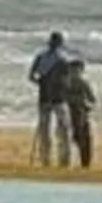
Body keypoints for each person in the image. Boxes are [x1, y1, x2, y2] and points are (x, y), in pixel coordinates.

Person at [28, 31, 70, 166]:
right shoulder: (43, 57)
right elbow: (31, 76)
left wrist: (44, 83)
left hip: (57, 98)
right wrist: (42, 83)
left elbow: (66, 80)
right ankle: (46, 159)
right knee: (46, 129)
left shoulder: (62, 59)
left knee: (61, 128)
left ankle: (62, 159)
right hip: (47, 98)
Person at [61, 59, 98, 170]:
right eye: (73, 70)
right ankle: (67, 161)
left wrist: (88, 106)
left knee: (84, 138)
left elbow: (92, 99)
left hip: (81, 112)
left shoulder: (84, 83)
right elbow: (62, 97)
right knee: (71, 137)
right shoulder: (66, 84)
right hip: (68, 112)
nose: (75, 73)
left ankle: (85, 163)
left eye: (77, 70)